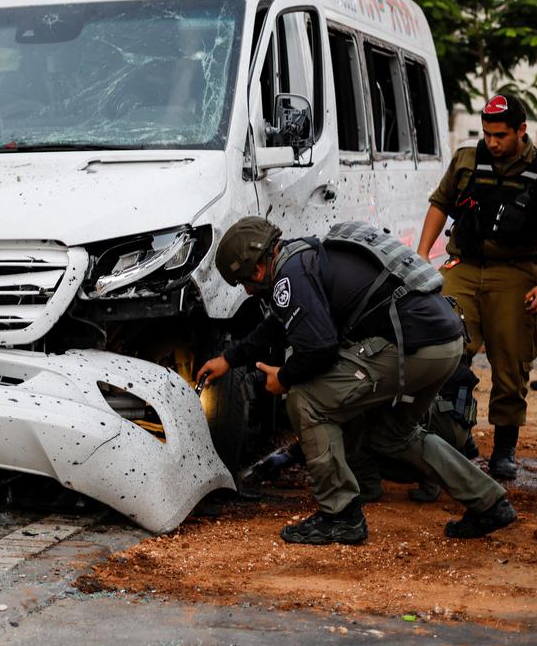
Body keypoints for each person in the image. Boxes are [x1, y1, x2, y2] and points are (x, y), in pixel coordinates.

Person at [195, 217, 518, 545]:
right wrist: (230, 358)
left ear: (257, 271)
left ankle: (339, 514)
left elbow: (321, 349)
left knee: (306, 400)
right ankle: (489, 502)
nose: (248, 290)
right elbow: (280, 322)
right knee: (395, 435)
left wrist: (286, 377)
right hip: (445, 343)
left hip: (412, 346)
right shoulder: (302, 256)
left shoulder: (289, 275)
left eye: (244, 283)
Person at [416, 93, 537, 481]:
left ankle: (504, 448)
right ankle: (453, 435)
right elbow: (440, 204)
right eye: (487, 134)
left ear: (521, 131)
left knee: (511, 364)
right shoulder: (466, 159)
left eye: (500, 135)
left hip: (514, 272)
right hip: (464, 265)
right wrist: (422, 255)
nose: (492, 142)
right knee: (444, 351)